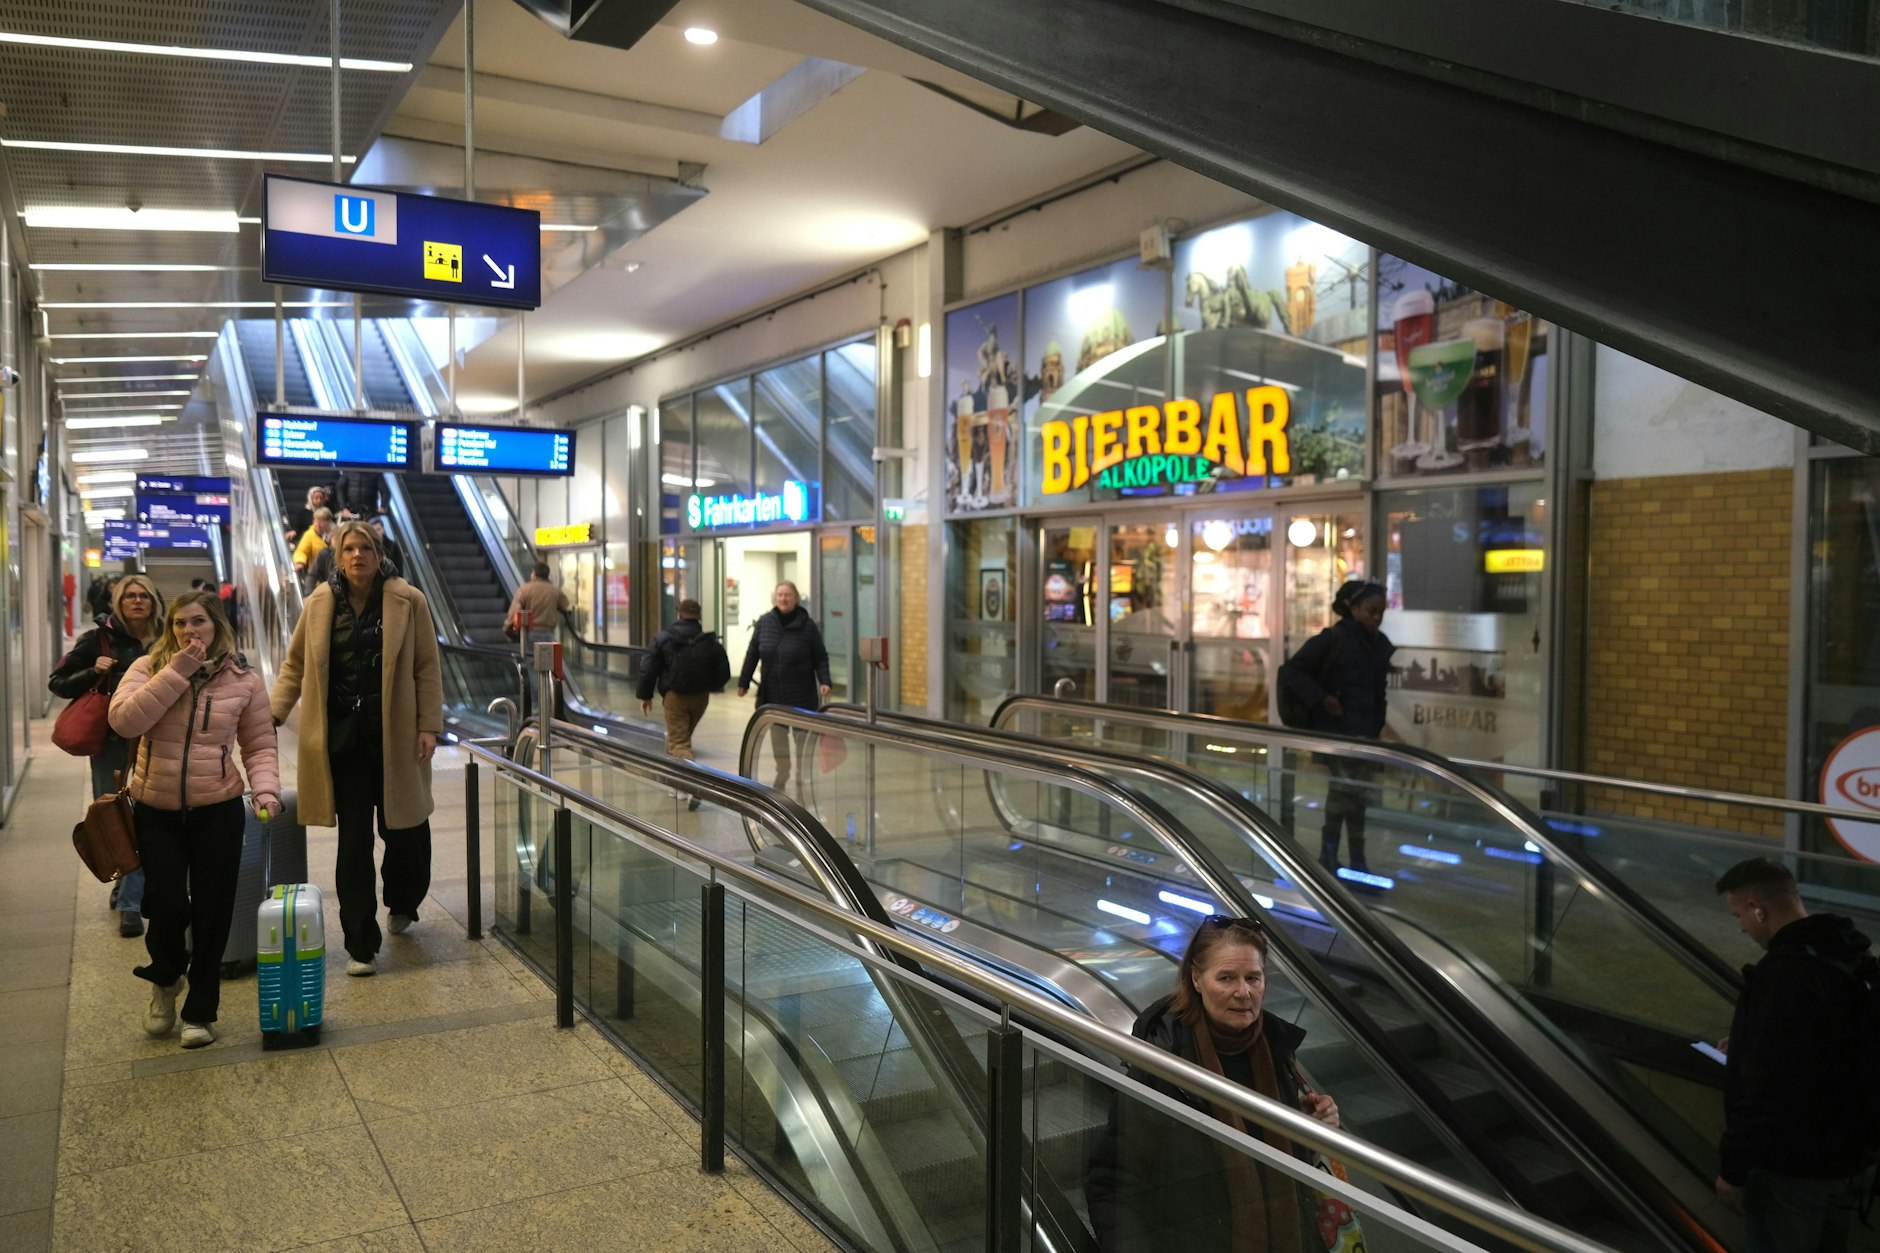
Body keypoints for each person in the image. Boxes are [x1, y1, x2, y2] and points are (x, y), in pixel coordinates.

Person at [1087, 914, 1341, 1251]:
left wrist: (1308, 1129)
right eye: (1226, 978)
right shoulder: (1161, 1065)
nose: (1243, 992)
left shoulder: (1276, 1051)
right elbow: (1113, 1183)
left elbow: (1278, 1166)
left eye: (1254, 977)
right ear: (1196, 978)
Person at [108, 591, 279, 1049]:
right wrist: (177, 669)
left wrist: (265, 790)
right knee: (165, 904)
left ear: (216, 626)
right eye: (180, 623)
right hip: (156, 808)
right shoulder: (147, 668)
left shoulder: (243, 681)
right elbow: (124, 721)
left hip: (218, 809)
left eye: (198, 622)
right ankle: (165, 979)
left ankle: (201, 1010)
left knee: (212, 910)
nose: (189, 631)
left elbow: (259, 744)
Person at [271, 520, 443, 978]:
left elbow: (427, 666)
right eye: (348, 548)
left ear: (378, 552)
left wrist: (429, 725)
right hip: (343, 742)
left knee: (405, 833)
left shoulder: (409, 600)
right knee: (353, 845)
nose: (356, 555)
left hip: (396, 739)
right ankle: (360, 944)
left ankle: (404, 899)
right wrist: (269, 714)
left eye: (364, 547)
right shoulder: (320, 604)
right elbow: (294, 667)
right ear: (337, 556)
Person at [1714, 857, 1877, 1253]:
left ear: (1758, 908)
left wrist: (1732, 1171)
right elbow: (1828, 1041)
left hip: (1793, 1164)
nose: (1740, 926)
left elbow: (1769, 1085)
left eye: (1739, 914)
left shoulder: (1785, 975)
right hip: (1851, 1156)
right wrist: (1750, 1040)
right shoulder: (1850, 954)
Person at [48, 574, 166, 936]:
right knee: (116, 817)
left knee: (147, 819)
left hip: (159, 739)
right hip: (112, 742)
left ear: (154, 601)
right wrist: (91, 671)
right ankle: (131, 899)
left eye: (144, 595)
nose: (137, 601)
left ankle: (128, 893)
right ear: (118, 601)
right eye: (129, 595)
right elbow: (58, 682)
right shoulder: (98, 639)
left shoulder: (167, 637)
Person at [1281, 579, 1394, 874]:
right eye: (1371, 611)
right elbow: (1293, 670)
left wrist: (1377, 727)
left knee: (1354, 798)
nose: (1377, 618)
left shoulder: (1379, 645)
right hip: (1337, 734)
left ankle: (1343, 858)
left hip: (1365, 736)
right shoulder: (1334, 639)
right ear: (1354, 608)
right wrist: (1322, 699)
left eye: (1381, 612)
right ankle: (1340, 857)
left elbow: (1377, 691)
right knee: (1345, 796)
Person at [637, 599, 730, 809]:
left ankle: (692, 785)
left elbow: (649, 666)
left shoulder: (664, 638)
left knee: (680, 744)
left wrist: (646, 695)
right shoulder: (709, 641)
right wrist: (711, 686)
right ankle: (676, 785)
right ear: (698, 616)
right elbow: (723, 671)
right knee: (680, 737)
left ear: (679, 614)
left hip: (675, 696)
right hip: (701, 698)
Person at [737, 581, 831, 789]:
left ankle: (801, 774)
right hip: (773, 696)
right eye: (780, 595)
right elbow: (752, 654)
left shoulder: (807, 626)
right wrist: (743, 682)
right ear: (774, 598)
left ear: (796, 598)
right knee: (778, 738)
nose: (783, 599)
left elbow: (820, 657)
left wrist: (825, 680)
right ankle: (783, 771)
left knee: (801, 739)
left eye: (788, 595)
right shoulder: (764, 623)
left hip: (801, 695)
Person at [506, 561, 568, 646]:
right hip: (548, 632)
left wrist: (507, 628)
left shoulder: (525, 589)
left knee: (532, 657)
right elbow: (565, 604)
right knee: (546, 657)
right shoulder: (555, 590)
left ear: (534, 574)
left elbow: (515, 611)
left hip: (531, 631)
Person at [292, 506, 335, 586]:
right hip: (317, 578)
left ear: (328, 521)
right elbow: (301, 550)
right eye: (315, 520)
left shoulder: (337, 534)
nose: (317, 524)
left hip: (334, 576)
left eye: (321, 521)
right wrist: (300, 562)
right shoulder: (309, 535)